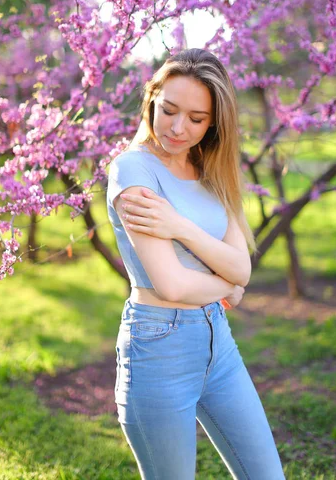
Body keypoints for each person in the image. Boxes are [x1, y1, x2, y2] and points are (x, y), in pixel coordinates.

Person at [106, 48, 285, 480]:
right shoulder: (133, 171)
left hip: (217, 343)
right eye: (168, 110)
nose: (177, 127)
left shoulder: (211, 169)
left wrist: (180, 227)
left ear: (213, 123)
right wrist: (227, 284)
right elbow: (172, 284)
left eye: (196, 118)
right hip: (157, 348)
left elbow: (241, 266)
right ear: (152, 98)